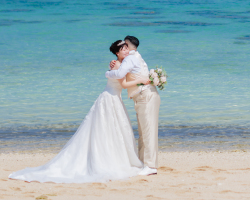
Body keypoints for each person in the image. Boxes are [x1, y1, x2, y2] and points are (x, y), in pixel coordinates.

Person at [9, 40, 148, 183]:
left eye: (126, 48)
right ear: (117, 53)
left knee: (109, 130)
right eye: (123, 49)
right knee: (108, 130)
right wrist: (142, 81)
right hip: (110, 99)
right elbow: (124, 85)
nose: (126, 51)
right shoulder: (117, 64)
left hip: (112, 98)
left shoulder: (118, 63)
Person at [106, 35, 160, 176]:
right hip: (144, 96)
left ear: (129, 46)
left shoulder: (130, 59)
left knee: (148, 132)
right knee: (143, 132)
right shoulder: (136, 56)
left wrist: (108, 71)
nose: (123, 46)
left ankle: (150, 166)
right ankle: (143, 163)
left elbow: (120, 74)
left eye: (125, 44)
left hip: (145, 96)